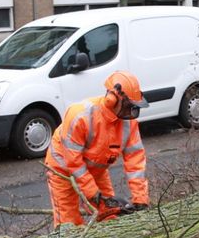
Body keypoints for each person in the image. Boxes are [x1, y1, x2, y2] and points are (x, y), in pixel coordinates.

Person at [45, 71, 150, 227]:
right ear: (112, 99)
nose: (131, 112)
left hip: (96, 171)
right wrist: (93, 194)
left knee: (110, 213)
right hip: (62, 170)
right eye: (129, 106)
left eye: (134, 107)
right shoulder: (81, 116)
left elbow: (135, 162)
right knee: (68, 224)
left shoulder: (128, 123)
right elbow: (73, 162)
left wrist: (140, 199)